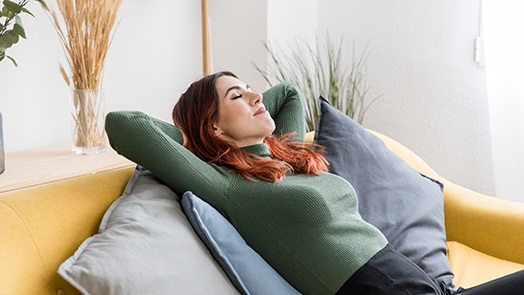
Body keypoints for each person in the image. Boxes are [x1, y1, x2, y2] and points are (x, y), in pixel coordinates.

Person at [106, 71, 524, 294]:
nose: (255, 97)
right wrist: (194, 136)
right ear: (213, 128)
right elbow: (124, 125)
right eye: (237, 96)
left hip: (425, 285)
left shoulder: (284, 158)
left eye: (252, 89)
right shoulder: (228, 185)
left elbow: (287, 93)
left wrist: (237, 106)